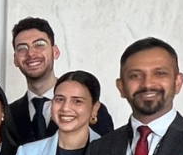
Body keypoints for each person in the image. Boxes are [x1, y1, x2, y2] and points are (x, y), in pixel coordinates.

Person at [9, 17, 115, 146]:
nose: (31, 53)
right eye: (22, 48)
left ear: (55, 52)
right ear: (15, 59)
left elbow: (107, 153)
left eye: (39, 44)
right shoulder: (8, 114)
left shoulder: (90, 109)